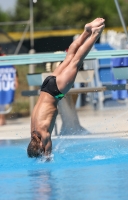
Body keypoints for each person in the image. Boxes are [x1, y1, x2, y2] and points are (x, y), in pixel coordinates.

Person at [27, 18, 105, 158]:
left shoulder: (43, 134)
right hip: (46, 86)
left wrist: (46, 157)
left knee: (76, 61)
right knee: (69, 57)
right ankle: (86, 31)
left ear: (38, 146)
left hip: (55, 92)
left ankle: (95, 34)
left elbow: (48, 154)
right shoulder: (32, 131)